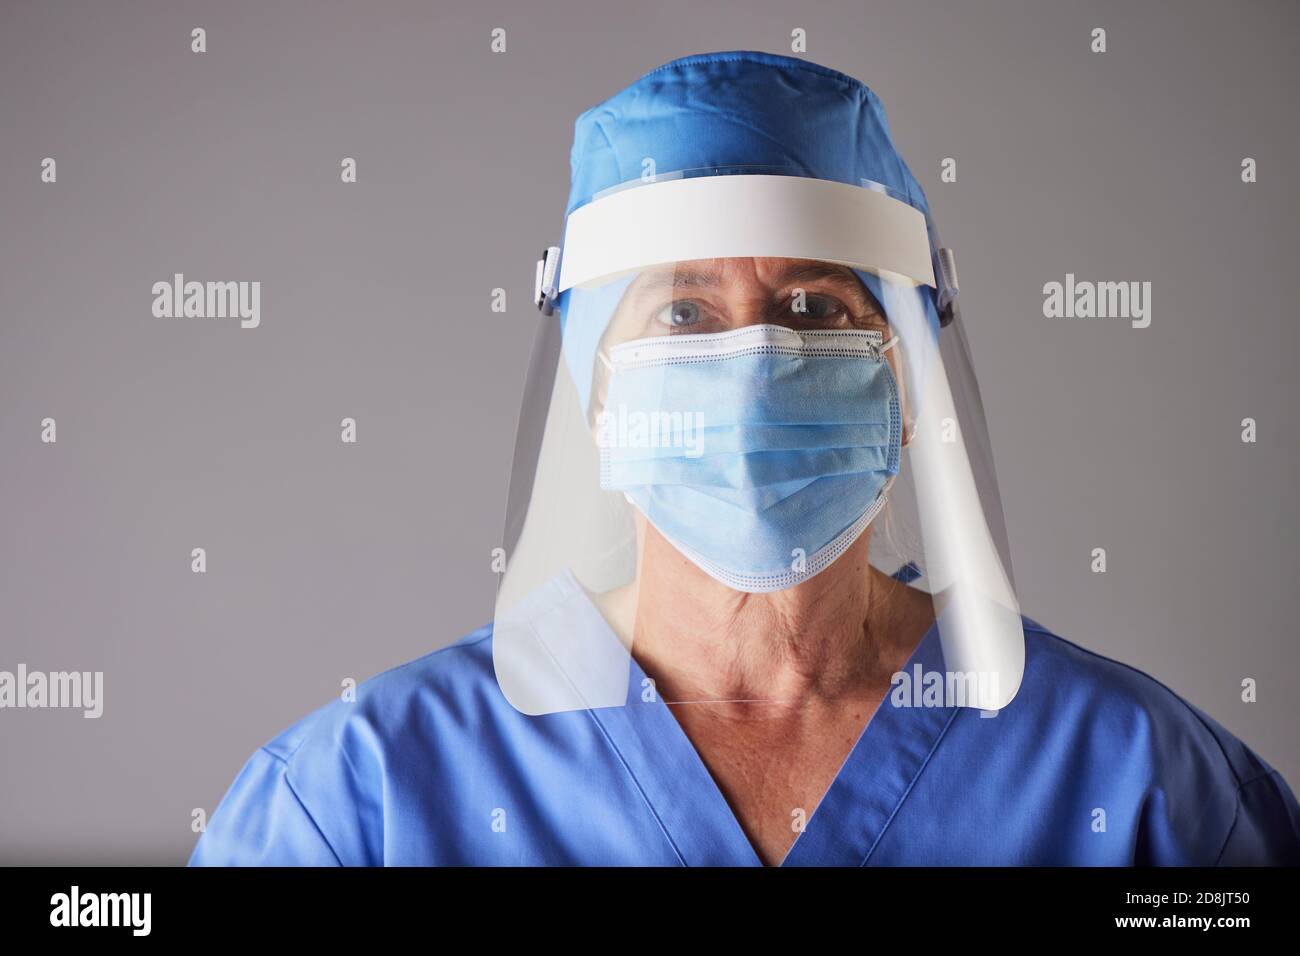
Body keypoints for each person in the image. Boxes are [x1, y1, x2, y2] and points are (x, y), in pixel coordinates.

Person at [190, 51, 1300, 866]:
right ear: (596, 381)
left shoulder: (1141, 789)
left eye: (814, 304)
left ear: (904, 370)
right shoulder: (360, 803)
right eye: (682, 313)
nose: (756, 364)